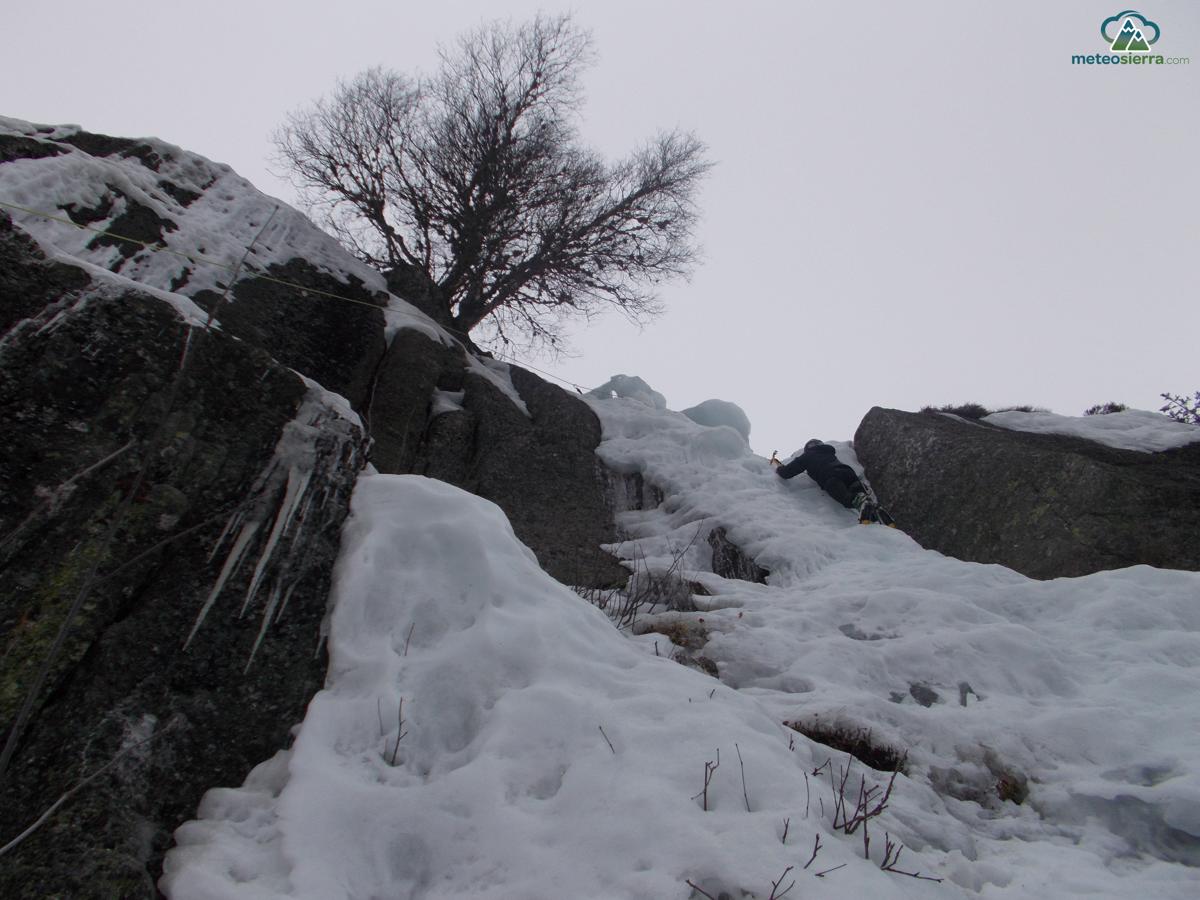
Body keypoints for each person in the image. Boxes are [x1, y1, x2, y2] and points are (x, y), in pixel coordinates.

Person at [773, 439, 875, 519]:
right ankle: (872, 508)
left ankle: (857, 501)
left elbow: (787, 473)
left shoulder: (808, 455)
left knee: (847, 499)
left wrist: (779, 469)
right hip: (848, 473)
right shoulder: (828, 453)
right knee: (858, 493)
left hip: (832, 476)